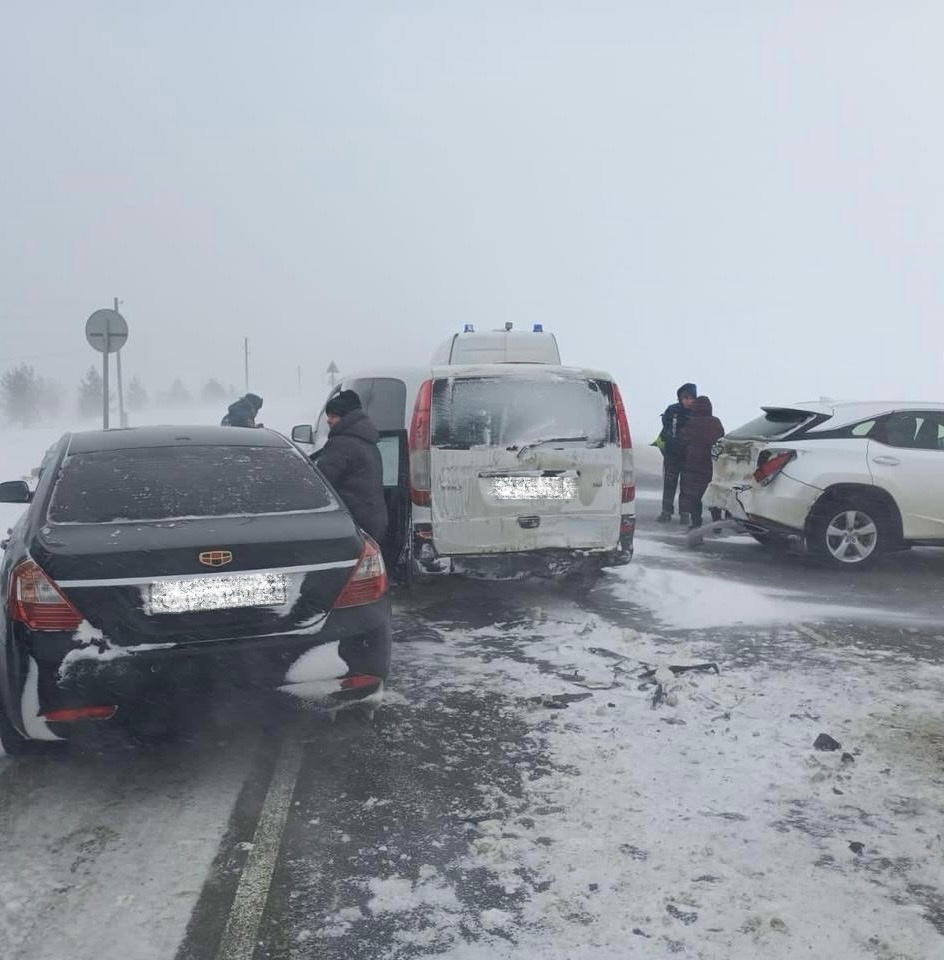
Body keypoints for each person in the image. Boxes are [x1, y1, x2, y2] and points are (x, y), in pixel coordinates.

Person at [314, 389, 388, 543]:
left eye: (333, 416)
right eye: (328, 416)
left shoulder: (341, 444)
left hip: (353, 525)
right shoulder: (368, 441)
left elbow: (321, 484)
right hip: (375, 521)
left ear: (345, 418)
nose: (328, 421)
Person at [678, 395, 725, 530]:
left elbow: (683, 441)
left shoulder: (691, 423)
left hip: (694, 466)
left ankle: (696, 523)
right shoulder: (716, 422)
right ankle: (717, 523)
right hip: (711, 465)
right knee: (713, 494)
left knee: (695, 497)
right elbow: (721, 440)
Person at [656, 383, 697, 523]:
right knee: (669, 484)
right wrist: (666, 449)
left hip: (689, 458)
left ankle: (684, 514)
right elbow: (665, 430)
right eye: (684, 397)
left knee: (686, 486)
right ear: (680, 398)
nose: (687, 401)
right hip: (671, 455)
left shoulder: (697, 413)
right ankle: (666, 512)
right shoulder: (672, 411)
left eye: (691, 398)